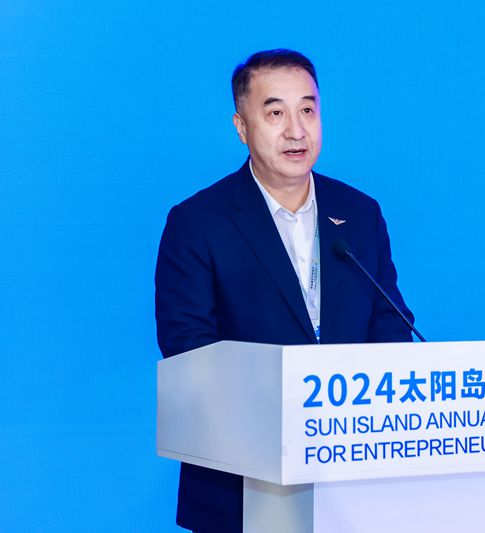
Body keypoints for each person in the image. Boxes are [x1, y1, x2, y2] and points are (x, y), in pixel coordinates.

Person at [155, 49, 414, 533]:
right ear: (242, 126)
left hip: (354, 477)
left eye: (308, 110)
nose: (296, 130)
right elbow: (188, 349)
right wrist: (291, 411)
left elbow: (391, 326)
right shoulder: (198, 222)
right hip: (242, 483)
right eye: (275, 113)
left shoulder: (360, 213)